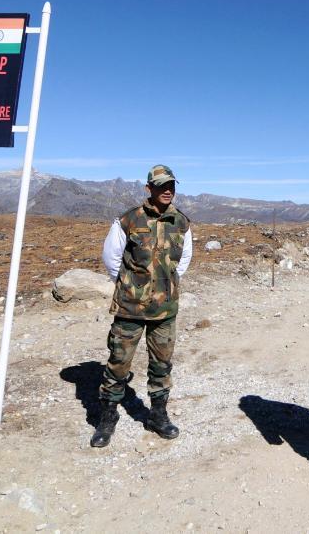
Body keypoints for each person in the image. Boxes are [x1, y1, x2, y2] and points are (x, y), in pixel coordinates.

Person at [90, 165, 193, 448]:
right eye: (161, 185)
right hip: (130, 308)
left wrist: (165, 285)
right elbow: (111, 259)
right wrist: (130, 285)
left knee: (161, 364)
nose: (168, 190)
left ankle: (157, 416)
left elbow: (182, 261)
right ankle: (107, 418)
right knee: (119, 363)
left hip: (165, 310)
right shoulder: (128, 220)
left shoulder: (181, 222)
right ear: (149, 188)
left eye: (171, 184)